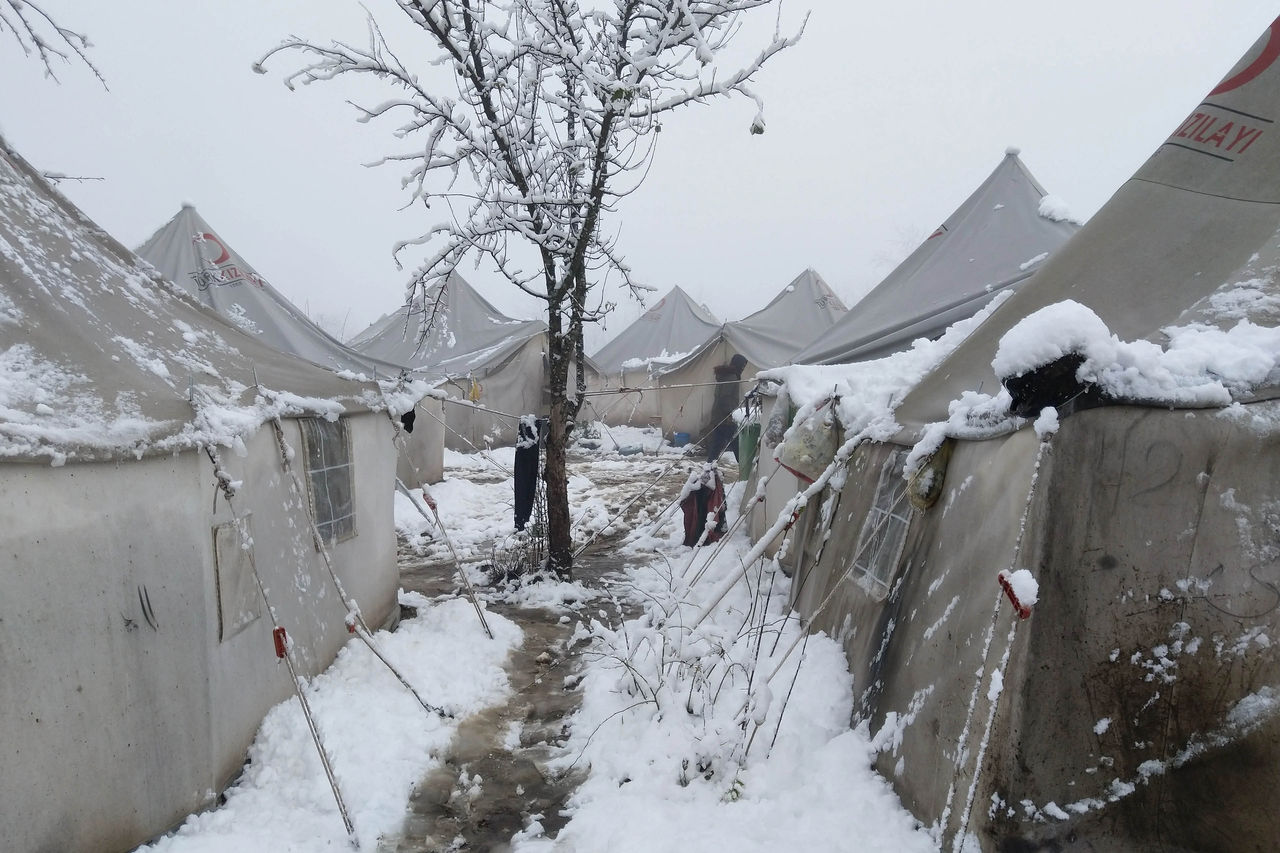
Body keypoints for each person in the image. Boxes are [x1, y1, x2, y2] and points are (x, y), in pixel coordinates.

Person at [705, 353, 747, 462]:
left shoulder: (725, 376)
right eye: (742, 366)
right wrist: (731, 413)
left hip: (718, 415)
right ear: (738, 364)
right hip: (726, 417)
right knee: (736, 444)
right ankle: (744, 467)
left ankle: (709, 466)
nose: (743, 368)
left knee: (717, 445)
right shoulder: (732, 377)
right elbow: (725, 397)